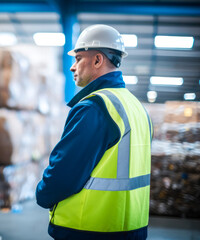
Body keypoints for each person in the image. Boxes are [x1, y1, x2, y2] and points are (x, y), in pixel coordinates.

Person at [36, 24, 153, 240]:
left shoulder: (95, 107)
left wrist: (42, 193)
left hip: (88, 230)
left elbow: (64, 174)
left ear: (98, 60)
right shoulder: (137, 108)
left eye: (78, 58)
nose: (73, 67)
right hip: (131, 228)